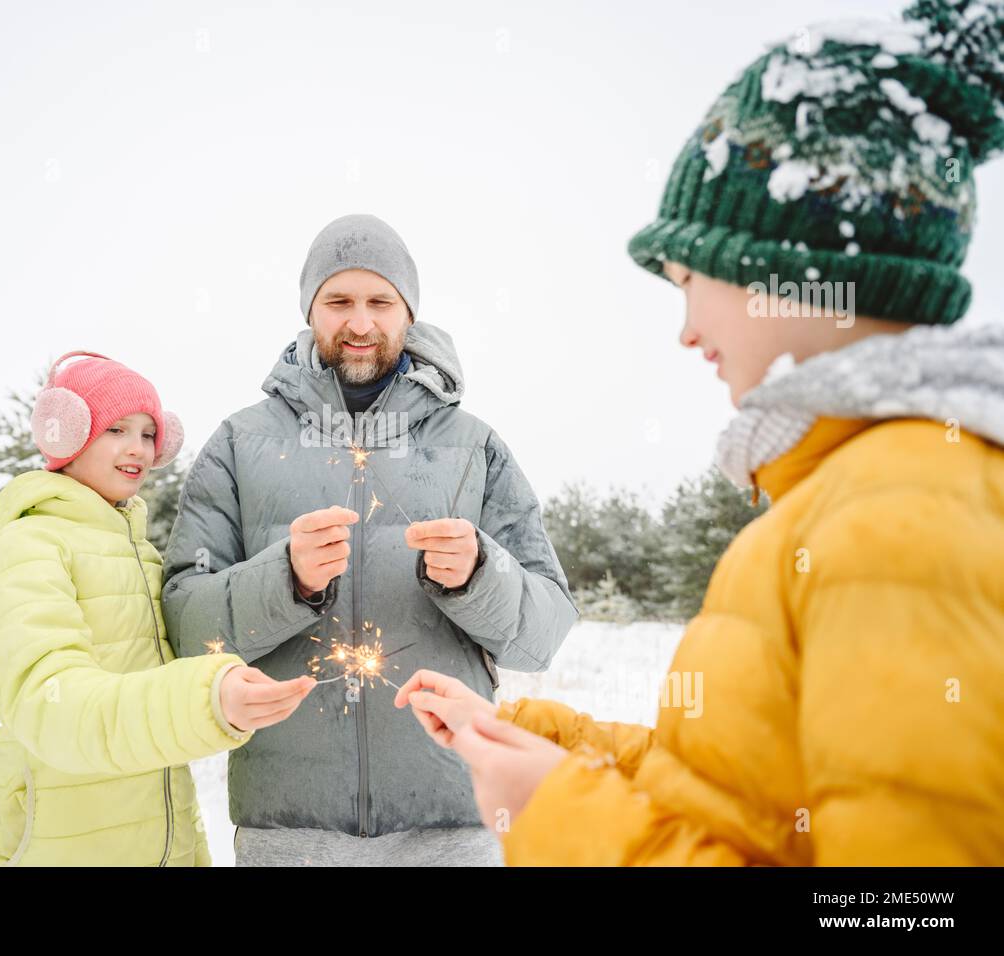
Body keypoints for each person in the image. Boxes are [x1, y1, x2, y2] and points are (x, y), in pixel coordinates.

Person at [400, 0, 1004, 865]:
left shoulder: (901, 519)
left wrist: (558, 818)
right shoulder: (861, 495)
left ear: (795, 271)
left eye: (689, 280)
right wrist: (538, 739)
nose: (685, 330)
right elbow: (741, 796)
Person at [162, 214, 578, 865]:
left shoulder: (474, 447)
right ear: (310, 312)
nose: (360, 323)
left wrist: (479, 576)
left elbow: (543, 635)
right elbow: (186, 629)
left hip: (451, 825)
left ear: (408, 312)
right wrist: (284, 581)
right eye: (339, 301)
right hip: (289, 830)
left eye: (380, 301)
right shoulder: (240, 445)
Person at [0, 350, 314, 866]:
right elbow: (51, 703)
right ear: (65, 432)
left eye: (148, 434)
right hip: (59, 845)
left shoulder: (144, 554)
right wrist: (205, 699)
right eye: (116, 429)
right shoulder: (31, 544)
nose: (138, 449)